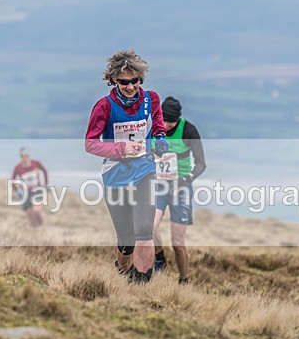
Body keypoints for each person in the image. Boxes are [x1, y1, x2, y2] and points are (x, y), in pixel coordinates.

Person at [85, 50, 169, 284]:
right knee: (126, 240)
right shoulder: (104, 106)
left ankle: (142, 285)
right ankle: (122, 277)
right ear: (114, 81)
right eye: (124, 82)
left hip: (144, 169)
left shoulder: (151, 99)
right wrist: (121, 149)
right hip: (116, 174)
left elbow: (158, 126)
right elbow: (90, 144)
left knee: (145, 230)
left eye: (134, 81)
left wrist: (160, 140)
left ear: (141, 79)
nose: (130, 86)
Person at [152, 96, 207, 284]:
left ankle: (184, 279)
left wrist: (183, 181)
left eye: (171, 121)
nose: (166, 125)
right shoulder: (153, 128)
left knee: (177, 243)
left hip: (181, 188)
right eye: (163, 120)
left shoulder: (189, 130)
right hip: (158, 186)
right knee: (150, 228)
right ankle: (159, 259)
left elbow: (201, 165)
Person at [11, 147, 49, 227]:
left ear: (29, 156)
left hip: (37, 190)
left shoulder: (36, 163)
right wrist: (17, 191)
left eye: (26, 156)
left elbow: (45, 171)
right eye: (23, 157)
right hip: (26, 192)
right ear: (21, 157)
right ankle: (34, 228)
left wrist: (46, 184)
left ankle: (41, 226)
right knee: (29, 212)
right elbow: (13, 180)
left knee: (36, 211)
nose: (25, 158)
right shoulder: (18, 168)